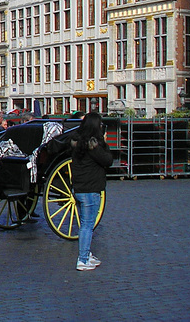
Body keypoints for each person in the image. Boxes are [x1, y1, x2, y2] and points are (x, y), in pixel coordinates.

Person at [71, 112, 113, 271]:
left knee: (84, 223)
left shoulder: (77, 143)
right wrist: (105, 143)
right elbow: (107, 160)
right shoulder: (93, 145)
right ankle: (82, 259)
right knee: (88, 225)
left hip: (79, 187)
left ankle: (86, 254)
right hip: (91, 188)